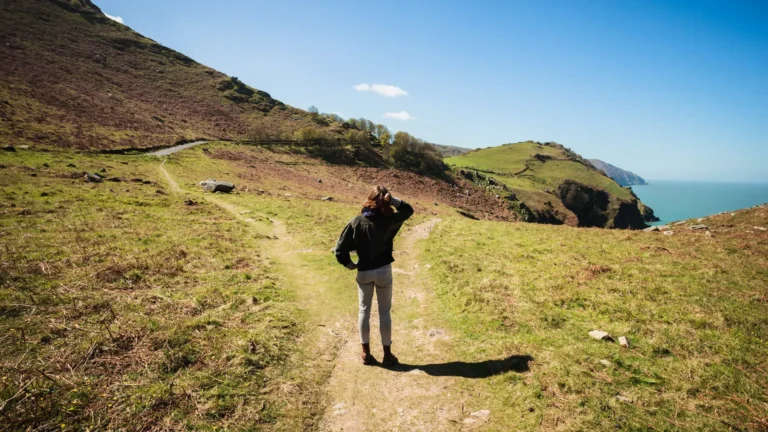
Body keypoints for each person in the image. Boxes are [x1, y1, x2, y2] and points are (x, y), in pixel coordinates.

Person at [334, 185, 414, 366]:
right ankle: (387, 355)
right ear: (386, 201)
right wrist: (392, 200)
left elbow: (340, 249)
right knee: (384, 312)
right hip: (384, 270)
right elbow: (408, 210)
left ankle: (365, 353)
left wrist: (348, 263)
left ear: (368, 200)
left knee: (364, 311)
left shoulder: (356, 221)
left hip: (364, 271)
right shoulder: (391, 220)